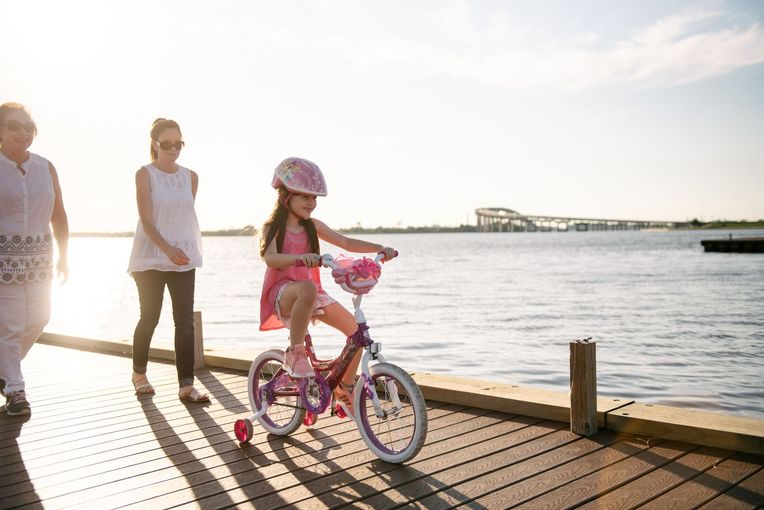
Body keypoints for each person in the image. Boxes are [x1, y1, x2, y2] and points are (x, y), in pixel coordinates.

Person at [259, 157, 395, 417]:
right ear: (285, 196)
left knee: (357, 335)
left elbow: (345, 242)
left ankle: (344, 389)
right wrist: (300, 258)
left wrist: (379, 249)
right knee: (307, 289)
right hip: (283, 292)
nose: (311, 203)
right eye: (305, 197)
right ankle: (295, 352)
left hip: (311, 293)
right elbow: (271, 258)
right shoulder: (272, 227)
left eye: (314, 199)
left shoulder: (312, 226)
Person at [127, 118, 208, 402]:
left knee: (184, 321)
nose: (173, 149)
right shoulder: (144, 174)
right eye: (167, 143)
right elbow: (147, 220)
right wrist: (166, 248)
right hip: (150, 255)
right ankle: (139, 373)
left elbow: (182, 217)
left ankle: (186, 384)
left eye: (178, 143)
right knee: (150, 316)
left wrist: (177, 250)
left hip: (183, 256)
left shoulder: (191, 177)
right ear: (154, 144)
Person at [0, 102, 69, 416]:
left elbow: (59, 214)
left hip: (41, 258)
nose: (23, 132)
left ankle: (4, 371)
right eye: (14, 126)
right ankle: (16, 390)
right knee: (12, 325)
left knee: (40, 318)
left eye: (28, 127)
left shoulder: (46, 166)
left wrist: (64, 257)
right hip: (3, 260)